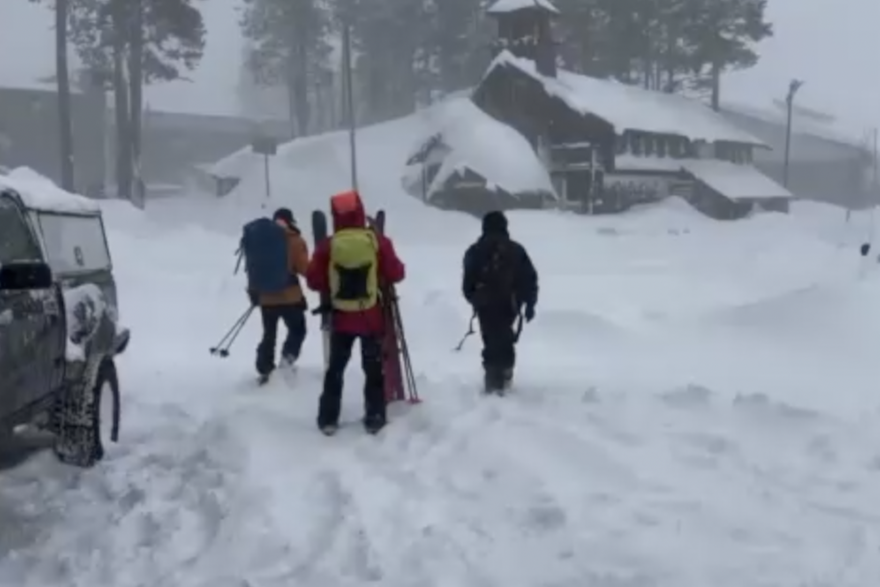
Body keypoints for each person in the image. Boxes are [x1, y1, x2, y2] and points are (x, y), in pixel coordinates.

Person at [306, 190, 405, 434]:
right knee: (373, 369)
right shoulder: (376, 241)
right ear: (360, 211)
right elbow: (397, 273)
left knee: (335, 370)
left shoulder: (329, 245)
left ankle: (328, 419)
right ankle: (375, 416)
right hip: (371, 318)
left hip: (341, 319)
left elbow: (313, 279)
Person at [461, 210, 538, 392]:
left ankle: (493, 379)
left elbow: (467, 283)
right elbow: (529, 279)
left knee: (491, 340)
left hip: (486, 305)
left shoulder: (475, 251)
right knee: (504, 338)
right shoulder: (516, 250)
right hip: (510, 304)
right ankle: (504, 372)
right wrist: (530, 303)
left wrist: (474, 298)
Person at [251, 207, 310, 377]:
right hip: (289, 297)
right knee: (298, 329)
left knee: (269, 333)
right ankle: (287, 360)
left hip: (266, 297)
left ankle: (264, 367)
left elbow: (253, 268)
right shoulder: (294, 240)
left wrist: (254, 292)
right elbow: (305, 268)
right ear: (290, 221)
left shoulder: (260, 240)